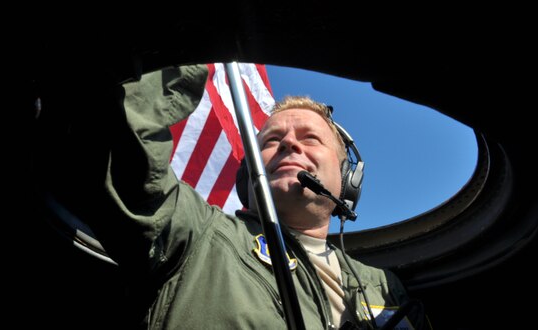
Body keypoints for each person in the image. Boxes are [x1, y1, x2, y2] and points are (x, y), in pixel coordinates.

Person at [68, 64, 428, 329]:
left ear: (347, 181)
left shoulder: (383, 286)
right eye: (271, 141)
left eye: (310, 139)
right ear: (248, 179)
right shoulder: (199, 235)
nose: (289, 143)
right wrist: (200, 49)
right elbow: (122, 141)